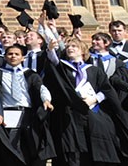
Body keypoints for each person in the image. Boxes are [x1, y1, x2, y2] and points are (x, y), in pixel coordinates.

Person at [44, 37, 123, 166]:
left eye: (74, 46)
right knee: (73, 151)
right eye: (68, 47)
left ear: (82, 51)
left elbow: (106, 89)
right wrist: (50, 49)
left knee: (94, 149)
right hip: (70, 114)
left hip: (92, 112)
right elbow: (53, 59)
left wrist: (95, 98)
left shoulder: (94, 70)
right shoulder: (62, 68)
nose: (70, 48)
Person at [0, 44, 55, 166]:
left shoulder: (30, 74)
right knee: (12, 147)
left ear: (22, 58)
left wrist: (46, 100)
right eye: (10, 54)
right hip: (7, 113)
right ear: (5, 57)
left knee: (32, 145)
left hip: (27, 113)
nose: (13, 56)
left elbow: (41, 87)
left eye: (17, 54)